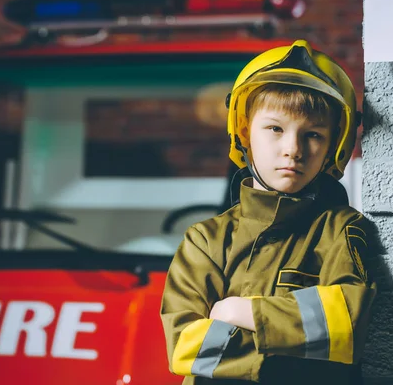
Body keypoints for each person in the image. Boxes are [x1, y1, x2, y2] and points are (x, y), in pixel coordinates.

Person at [160, 40, 376, 385]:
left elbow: (347, 323)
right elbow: (188, 347)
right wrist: (301, 342)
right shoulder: (205, 240)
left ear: (334, 145)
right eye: (275, 129)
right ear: (244, 131)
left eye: (314, 134)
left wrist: (240, 311)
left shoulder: (342, 230)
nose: (293, 149)